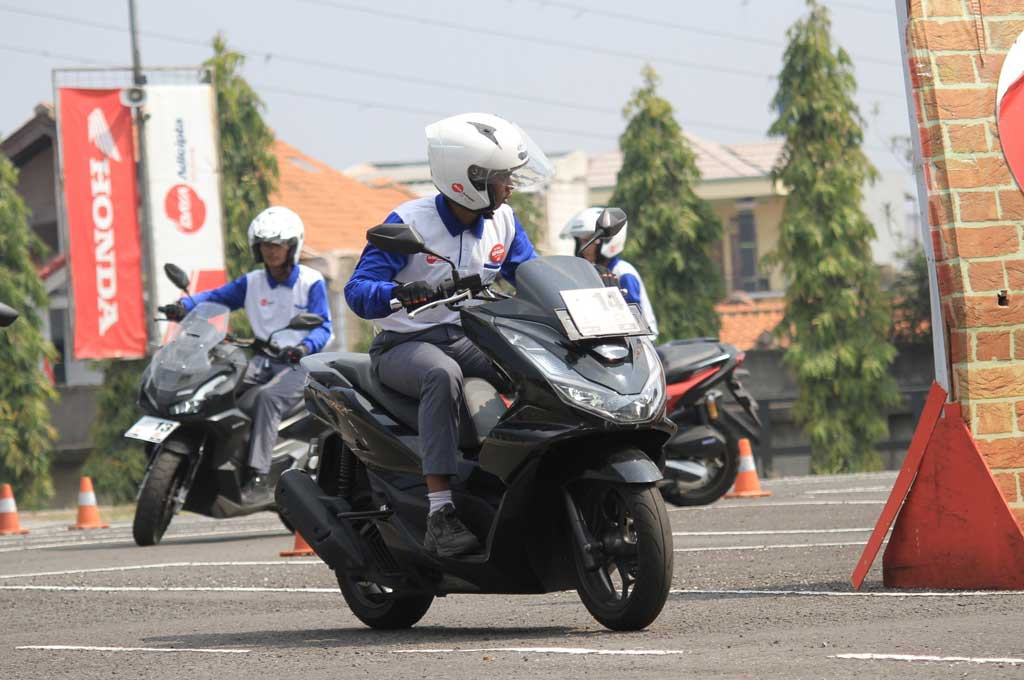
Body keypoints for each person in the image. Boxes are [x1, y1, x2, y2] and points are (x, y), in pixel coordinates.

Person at [344, 112, 554, 557]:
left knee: (537, 365)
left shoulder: (505, 223)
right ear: (469, 180)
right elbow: (358, 292)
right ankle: (441, 512)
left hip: (471, 337)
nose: (509, 187)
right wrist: (402, 293)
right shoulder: (409, 221)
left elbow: (533, 276)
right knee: (441, 375)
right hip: (406, 345)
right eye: (501, 178)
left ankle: (527, 479)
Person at [158, 206, 333, 504]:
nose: (271, 251)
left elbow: (324, 326)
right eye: (266, 245)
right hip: (261, 359)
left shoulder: (310, 281)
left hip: (301, 363)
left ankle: (259, 475)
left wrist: (303, 347)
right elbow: (216, 297)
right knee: (217, 386)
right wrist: (183, 307)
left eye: (277, 245)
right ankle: (215, 458)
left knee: (268, 398)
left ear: (291, 246)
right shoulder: (252, 282)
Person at [560, 207, 659, 338]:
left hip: (640, 344)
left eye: (587, 241)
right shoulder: (590, 272)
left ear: (607, 241)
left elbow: (634, 317)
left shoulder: (623, 272)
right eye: (580, 241)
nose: (584, 248)